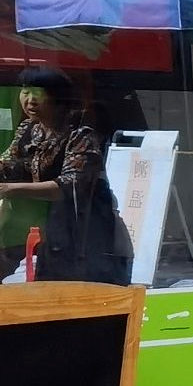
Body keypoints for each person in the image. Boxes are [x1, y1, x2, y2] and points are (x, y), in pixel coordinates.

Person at [0, 66, 132, 284]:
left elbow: (68, 186)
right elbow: (10, 164)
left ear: (59, 97)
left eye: (39, 93)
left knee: (76, 286)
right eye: (26, 91)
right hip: (46, 223)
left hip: (82, 227)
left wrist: (10, 189)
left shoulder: (80, 134)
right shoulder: (29, 129)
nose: (30, 100)